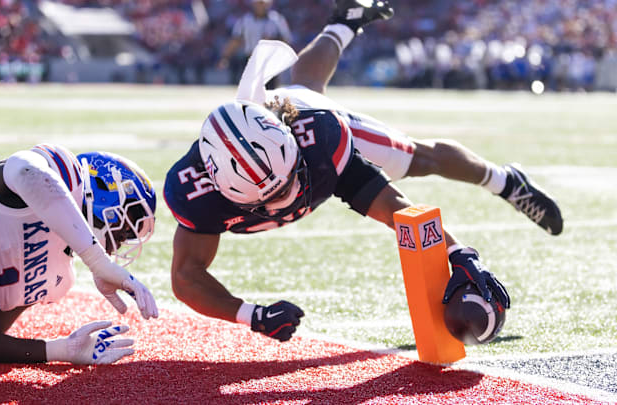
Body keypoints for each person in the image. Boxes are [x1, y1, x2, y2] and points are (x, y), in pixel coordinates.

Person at [164, 0, 561, 342]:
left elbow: (396, 208)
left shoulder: (317, 137)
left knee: (419, 159)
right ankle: (344, 21)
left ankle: (505, 181)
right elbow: (185, 277)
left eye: (288, 180)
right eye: (269, 197)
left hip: (300, 113)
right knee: (307, 82)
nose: (287, 196)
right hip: (280, 131)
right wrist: (251, 314)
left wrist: (459, 253)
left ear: (289, 140)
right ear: (220, 186)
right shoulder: (195, 193)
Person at [0, 144, 159, 392]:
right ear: (102, 196)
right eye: (125, 226)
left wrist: (61, 350)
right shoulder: (60, 174)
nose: (122, 241)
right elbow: (23, 170)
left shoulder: (57, 278)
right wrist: (96, 259)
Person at [218, 0, 292, 89]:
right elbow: (235, 40)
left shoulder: (276, 20)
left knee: (270, 91)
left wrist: (272, 41)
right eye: (258, 3)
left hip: (269, 61)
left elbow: (286, 40)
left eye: (263, 3)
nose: (260, 6)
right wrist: (225, 57)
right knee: (249, 91)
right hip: (251, 59)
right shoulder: (245, 20)